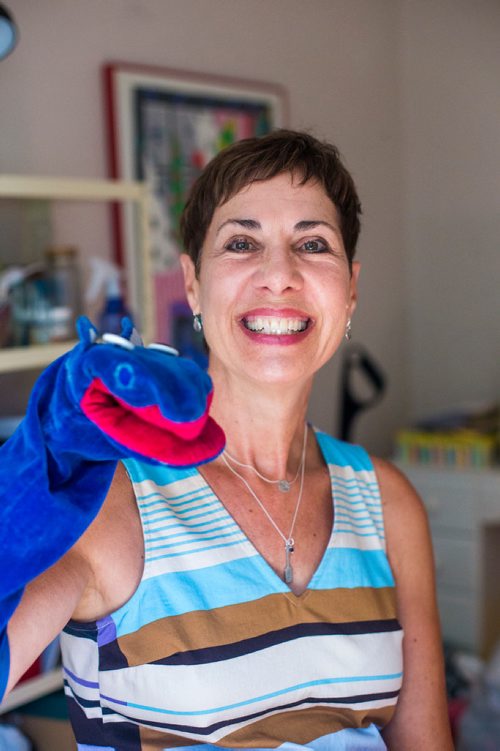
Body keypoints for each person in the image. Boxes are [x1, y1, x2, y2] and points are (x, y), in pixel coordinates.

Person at [4, 130, 453, 750]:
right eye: (242, 243)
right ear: (192, 284)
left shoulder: (388, 501)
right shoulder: (109, 496)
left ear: (350, 288)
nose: (279, 275)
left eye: (312, 243)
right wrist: (28, 473)